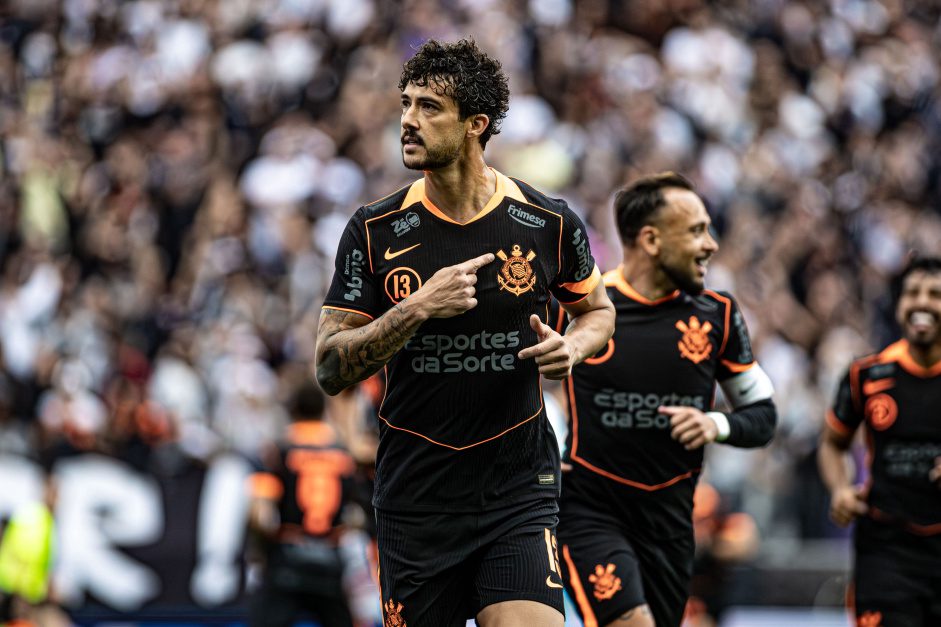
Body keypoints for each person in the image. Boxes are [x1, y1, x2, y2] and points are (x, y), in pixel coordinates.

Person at [315, 38, 615, 627]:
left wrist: (571, 348)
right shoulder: (374, 230)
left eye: (429, 107)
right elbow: (329, 367)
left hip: (516, 488)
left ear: (477, 124)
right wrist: (417, 308)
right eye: (405, 104)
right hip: (416, 499)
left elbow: (597, 312)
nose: (408, 120)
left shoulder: (548, 222)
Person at [555, 172, 776, 627]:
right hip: (592, 513)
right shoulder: (583, 307)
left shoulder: (719, 314)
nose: (711, 245)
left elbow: (763, 415)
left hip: (672, 526)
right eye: (696, 230)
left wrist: (716, 424)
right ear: (651, 239)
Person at [817, 256, 941, 627]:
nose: (921, 303)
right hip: (888, 548)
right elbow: (832, 444)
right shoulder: (866, 375)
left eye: (935, 294)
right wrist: (840, 488)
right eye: (912, 293)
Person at [247, 381, 359, 627]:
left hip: (287, 557)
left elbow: (260, 513)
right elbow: (355, 512)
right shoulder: (343, 451)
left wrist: (260, 548)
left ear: (293, 409)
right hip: (331, 558)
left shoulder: (279, 449)